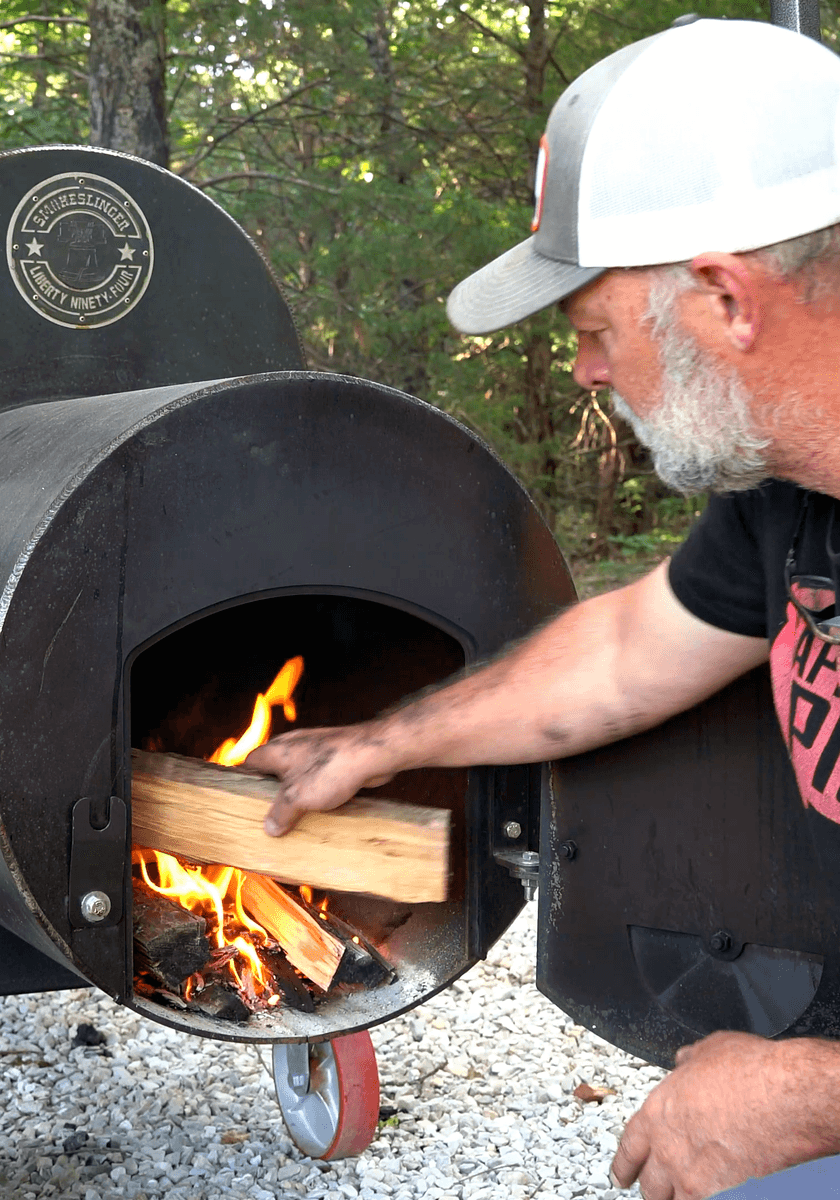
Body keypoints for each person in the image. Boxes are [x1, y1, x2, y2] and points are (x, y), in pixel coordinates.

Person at [245, 17, 840, 1200]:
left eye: (592, 332)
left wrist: (802, 1095)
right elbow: (626, 651)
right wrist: (379, 743)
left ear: (726, 298)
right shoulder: (791, 494)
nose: (585, 373)